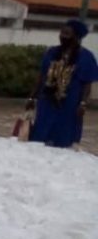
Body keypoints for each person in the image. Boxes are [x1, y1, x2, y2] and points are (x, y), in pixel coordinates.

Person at [28, 19, 97, 148]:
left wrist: (83, 103)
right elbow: (41, 76)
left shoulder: (87, 57)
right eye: (61, 33)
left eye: (67, 34)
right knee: (40, 135)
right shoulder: (51, 52)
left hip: (69, 104)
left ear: (76, 37)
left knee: (62, 138)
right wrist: (32, 97)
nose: (62, 36)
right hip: (46, 101)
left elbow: (87, 84)